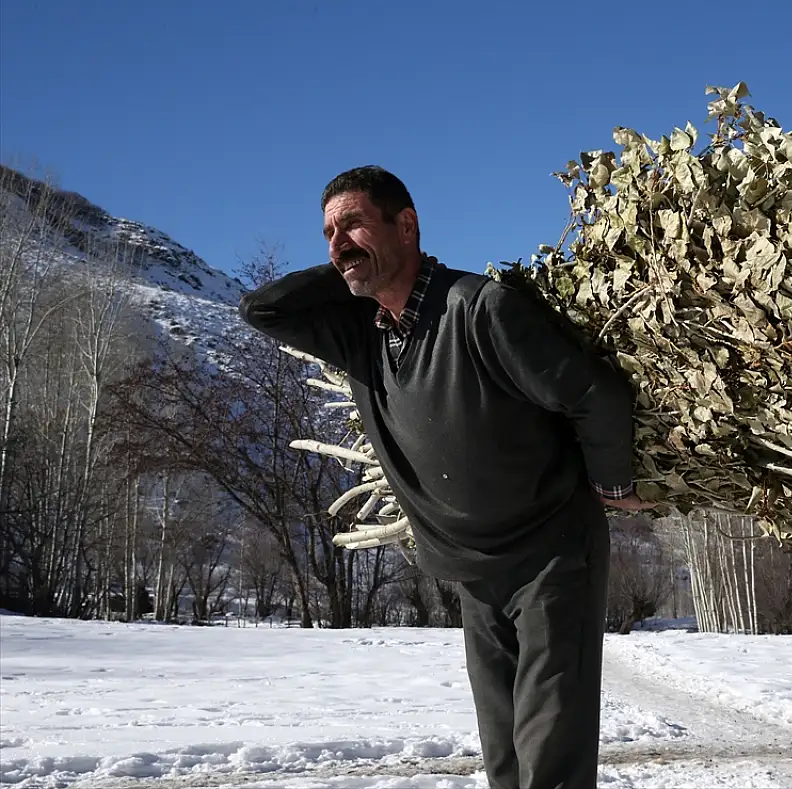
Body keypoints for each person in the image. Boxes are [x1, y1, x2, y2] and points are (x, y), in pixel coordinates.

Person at [239, 165, 651, 789]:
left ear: (407, 225)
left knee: (551, 755)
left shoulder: (481, 310)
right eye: (328, 232)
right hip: (472, 571)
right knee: (504, 758)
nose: (337, 241)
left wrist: (614, 485)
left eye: (353, 223)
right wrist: (355, 262)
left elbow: (594, 396)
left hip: (551, 554)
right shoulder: (362, 337)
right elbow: (261, 309)